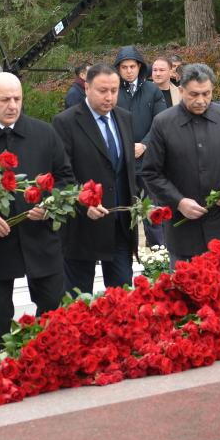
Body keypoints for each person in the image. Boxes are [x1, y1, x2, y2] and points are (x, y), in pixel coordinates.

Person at [0, 72, 74, 354]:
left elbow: (66, 178)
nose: (12, 105)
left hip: (41, 235)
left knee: (53, 304)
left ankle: (50, 360)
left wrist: (50, 205)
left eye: (17, 98)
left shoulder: (44, 133)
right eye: (5, 99)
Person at [143, 63, 220, 265]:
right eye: (194, 94)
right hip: (182, 228)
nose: (201, 100)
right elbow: (151, 172)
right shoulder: (163, 123)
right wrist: (179, 202)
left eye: (206, 94)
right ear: (181, 90)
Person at [53, 65, 140, 294]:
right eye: (102, 90)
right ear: (87, 87)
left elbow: (126, 169)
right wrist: (83, 202)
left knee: (122, 297)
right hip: (82, 227)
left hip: (120, 223)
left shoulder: (124, 118)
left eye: (114, 90)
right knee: (78, 301)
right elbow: (62, 174)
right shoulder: (66, 122)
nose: (109, 97)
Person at [114, 46, 168, 156]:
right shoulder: (112, 91)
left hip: (148, 156)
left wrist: (145, 144)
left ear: (139, 66)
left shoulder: (153, 90)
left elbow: (161, 122)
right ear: (118, 68)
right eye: (124, 67)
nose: (129, 71)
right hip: (119, 155)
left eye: (132, 66)